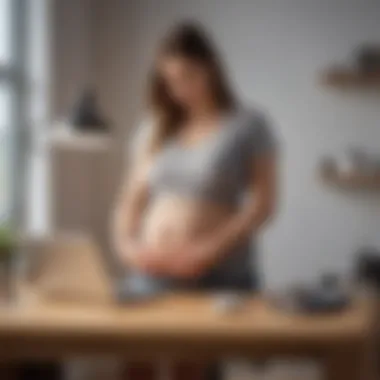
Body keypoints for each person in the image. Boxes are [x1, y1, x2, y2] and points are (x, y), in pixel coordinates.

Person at [112, 21, 278, 380]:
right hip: (151, 273)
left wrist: (208, 250)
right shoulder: (154, 128)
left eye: (187, 75)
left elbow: (262, 205)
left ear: (211, 67)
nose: (179, 89)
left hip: (214, 274)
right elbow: (128, 203)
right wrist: (128, 248)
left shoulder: (249, 124)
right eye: (169, 80)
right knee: (134, 366)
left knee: (189, 368)